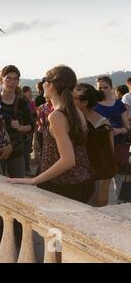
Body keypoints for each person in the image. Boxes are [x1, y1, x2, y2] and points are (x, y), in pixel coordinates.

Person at [8, 65, 94, 204]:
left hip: (63, 186)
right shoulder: (76, 112)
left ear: (51, 85)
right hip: (81, 181)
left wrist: (34, 180)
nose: (43, 84)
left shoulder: (56, 116)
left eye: (44, 80)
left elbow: (68, 160)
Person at [74, 83, 116, 206]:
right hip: (79, 179)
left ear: (84, 102)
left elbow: (109, 157)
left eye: (73, 98)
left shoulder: (102, 125)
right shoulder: (72, 121)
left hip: (98, 179)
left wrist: (105, 186)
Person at [95, 76, 130, 202]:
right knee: (102, 183)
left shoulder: (119, 105)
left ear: (111, 87)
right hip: (100, 148)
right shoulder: (93, 105)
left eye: (105, 87)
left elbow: (127, 127)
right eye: (100, 88)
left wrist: (118, 131)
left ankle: (119, 207)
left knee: (118, 182)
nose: (103, 90)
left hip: (118, 147)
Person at [0, 66, 35, 177]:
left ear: (18, 81)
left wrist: (20, 127)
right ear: (2, 79)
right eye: (8, 78)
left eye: (15, 79)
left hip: (17, 152)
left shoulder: (22, 103)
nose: (11, 82)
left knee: (19, 187)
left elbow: (32, 125)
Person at [22, 86, 37, 175]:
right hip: (23, 130)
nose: (31, 94)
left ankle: (27, 169)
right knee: (24, 151)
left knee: (27, 151)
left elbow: (34, 115)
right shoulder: (21, 103)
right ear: (24, 93)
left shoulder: (31, 103)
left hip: (30, 131)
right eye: (29, 92)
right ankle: (25, 169)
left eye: (31, 92)